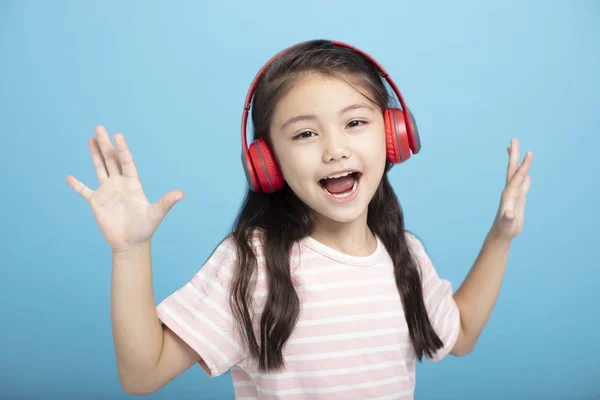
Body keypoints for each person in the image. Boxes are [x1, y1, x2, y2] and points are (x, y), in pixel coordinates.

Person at [66, 39, 533, 399]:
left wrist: (501, 235)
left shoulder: (404, 255)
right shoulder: (251, 262)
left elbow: (462, 333)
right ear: (268, 163)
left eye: (355, 122)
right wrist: (130, 250)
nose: (335, 149)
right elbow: (142, 373)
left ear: (393, 136)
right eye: (306, 133)